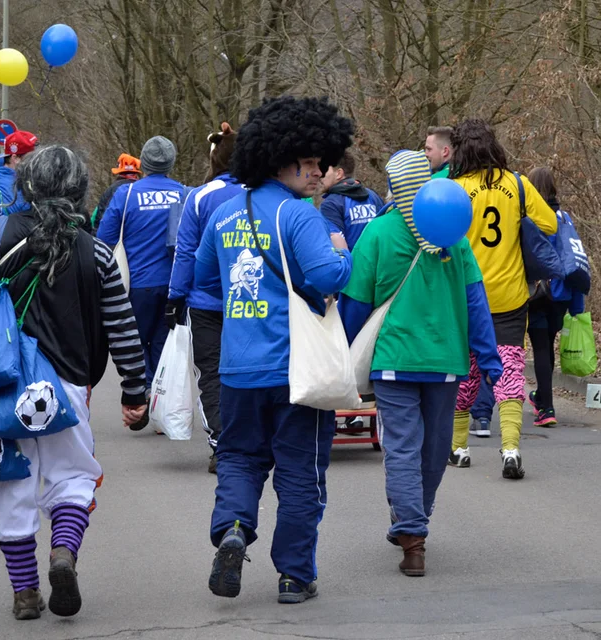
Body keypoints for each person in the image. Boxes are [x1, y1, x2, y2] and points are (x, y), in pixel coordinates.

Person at [0, 145, 148, 621]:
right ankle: (63, 552)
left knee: (8, 482)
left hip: (0, 384)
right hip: (67, 387)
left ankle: (25, 593)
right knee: (73, 476)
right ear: (80, 190)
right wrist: (134, 390)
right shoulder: (95, 251)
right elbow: (122, 327)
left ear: (25, 186)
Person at [195, 96, 353, 604]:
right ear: (278, 159)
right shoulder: (299, 216)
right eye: (308, 162)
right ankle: (293, 575)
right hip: (295, 370)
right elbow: (328, 277)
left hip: (238, 369)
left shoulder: (223, 215)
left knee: (239, 458)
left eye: (320, 162)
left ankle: (234, 528)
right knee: (300, 473)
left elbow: (204, 280)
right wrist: (344, 258)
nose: (318, 171)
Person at [341, 150, 501, 576]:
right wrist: (489, 358)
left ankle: (411, 529)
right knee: (434, 449)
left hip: (393, 360)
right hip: (445, 361)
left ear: (395, 186)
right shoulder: (454, 237)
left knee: (402, 446)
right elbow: (475, 301)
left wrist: (342, 349)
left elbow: (355, 303)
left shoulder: (377, 233)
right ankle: (414, 522)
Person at [447, 119, 557, 479]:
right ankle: (510, 449)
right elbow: (550, 225)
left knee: (466, 371)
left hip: (467, 295)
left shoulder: (456, 189)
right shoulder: (518, 184)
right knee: (509, 369)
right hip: (510, 296)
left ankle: (458, 448)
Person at [167, 122, 242, 473]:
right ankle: (251, 441)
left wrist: (175, 296)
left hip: (206, 301)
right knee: (245, 372)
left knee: (210, 374)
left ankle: (221, 444)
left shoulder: (198, 196)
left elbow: (185, 251)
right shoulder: (261, 193)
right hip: (251, 301)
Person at [96, 136, 186, 399]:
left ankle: (145, 391)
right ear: (171, 163)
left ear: (143, 163)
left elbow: (103, 239)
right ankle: (160, 396)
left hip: (136, 284)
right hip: (174, 285)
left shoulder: (126, 194)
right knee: (163, 342)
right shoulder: (185, 193)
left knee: (137, 341)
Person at [526, 167, 586, 427]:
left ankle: (546, 408)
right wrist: (576, 302)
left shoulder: (530, 218)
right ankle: (542, 397)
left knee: (540, 347)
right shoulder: (564, 218)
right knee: (547, 344)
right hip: (561, 293)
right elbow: (575, 257)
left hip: (538, 291)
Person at [318, 151, 384, 251]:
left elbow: (337, 247)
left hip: (351, 260)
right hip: (377, 260)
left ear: (339, 173)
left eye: (324, 170)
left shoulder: (330, 204)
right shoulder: (373, 195)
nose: (320, 175)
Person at [91, 153, 141, 232]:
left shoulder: (111, 190)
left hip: (110, 235)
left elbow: (99, 217)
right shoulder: (143, 189)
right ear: (136, 173)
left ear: (119, 171)